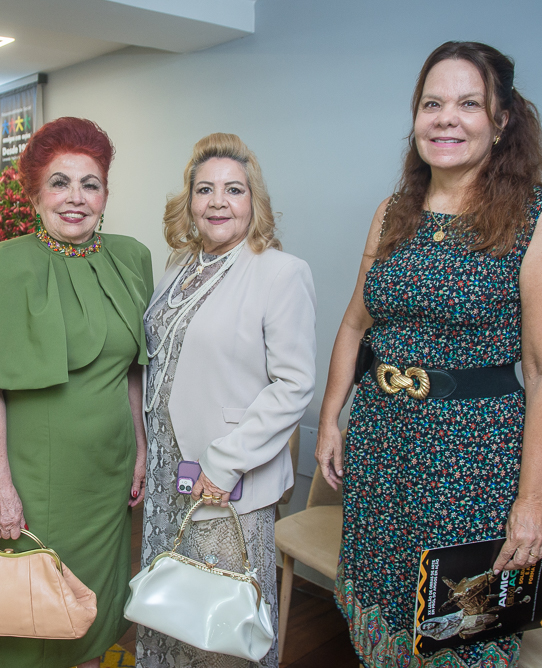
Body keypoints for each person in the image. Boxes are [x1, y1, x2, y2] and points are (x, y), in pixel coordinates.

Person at [315, 42, 542, 667]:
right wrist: (332, 417)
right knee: (383, 619)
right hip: (382, 448)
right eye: (432, 103)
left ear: (502, 119)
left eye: (469, 104)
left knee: (462, 635)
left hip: (474, 465)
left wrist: (534, 501)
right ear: (415, 117)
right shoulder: (393, 213)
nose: (446, 118)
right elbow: (357, 323)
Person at [0, 117, 152, 668]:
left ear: (105, 194)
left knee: (98, 606)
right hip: (36, 478)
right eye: (60, 182)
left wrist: (140, 450)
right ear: (35, 193)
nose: (76, 198)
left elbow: (134, 369)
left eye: (89, 184)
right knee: (34, 613)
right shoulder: (3, 263)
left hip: (109, 470)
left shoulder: (132, 257)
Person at [137, 133, 317, 668]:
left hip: (225, 477)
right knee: (171, 604)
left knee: (221, 623)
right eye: (205, 189)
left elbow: (293, 386)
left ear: (253, 202)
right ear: (189, 202)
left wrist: (225, 462)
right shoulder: (177, 267)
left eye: (233, 190)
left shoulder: (280, 272)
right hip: (172, 473)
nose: (218, 202)